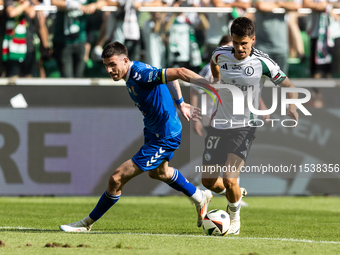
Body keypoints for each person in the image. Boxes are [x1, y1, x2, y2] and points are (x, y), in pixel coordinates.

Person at [59, 41, 213, 232]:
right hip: (153, 131)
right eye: (106, 65)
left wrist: (211, 87)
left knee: (116, 178)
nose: (109, 70)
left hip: (164, 136)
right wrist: (180, 102)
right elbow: (168, 75)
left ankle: (86, 224)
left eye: (113, 64)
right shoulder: (136, 71)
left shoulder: (141, 75)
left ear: (125, 60)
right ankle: (199, 196)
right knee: (159, 172)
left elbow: (180, 71)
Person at [201, 17, 299, 235]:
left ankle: (234, 220)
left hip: (245, 126)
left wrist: (292, 105)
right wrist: (216, 81)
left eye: (244, 43)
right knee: (208, 181)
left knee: (228, 177)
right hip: (219, 123)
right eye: (236, 43)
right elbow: (214, 64)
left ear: (253, 40)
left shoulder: (264, 63)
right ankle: (236, 191)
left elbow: (289, 85)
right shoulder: (220, 53)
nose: (239, 48)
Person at [254, 0, 301, 74]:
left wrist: (279, 3)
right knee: (260, 80)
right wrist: (281, 5)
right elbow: (261, 6)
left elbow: (296, 6)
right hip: (263, 48)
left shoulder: (281, 1)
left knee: (282, 81)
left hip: (281, 49)